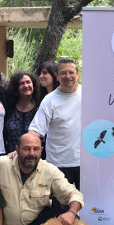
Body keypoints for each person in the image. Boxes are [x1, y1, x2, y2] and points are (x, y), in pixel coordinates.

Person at [29, 57, 82, 188]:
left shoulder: (90, 94)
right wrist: (26, 146)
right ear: (57, 76)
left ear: (77, 74)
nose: (67, 76)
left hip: (85, 162)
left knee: (87, 203)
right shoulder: (49, 100)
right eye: (63, 73)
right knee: (60, 206)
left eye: (71, 72)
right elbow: (36, 130)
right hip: (58, 163)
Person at [3, 71, 41, 154]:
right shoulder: (9, 108)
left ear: (33, 84)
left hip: (35, 157)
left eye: (28, 82)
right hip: (11, 158)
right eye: (21, 83)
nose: (26, 86)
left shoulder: (40, 107)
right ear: (16, 87)